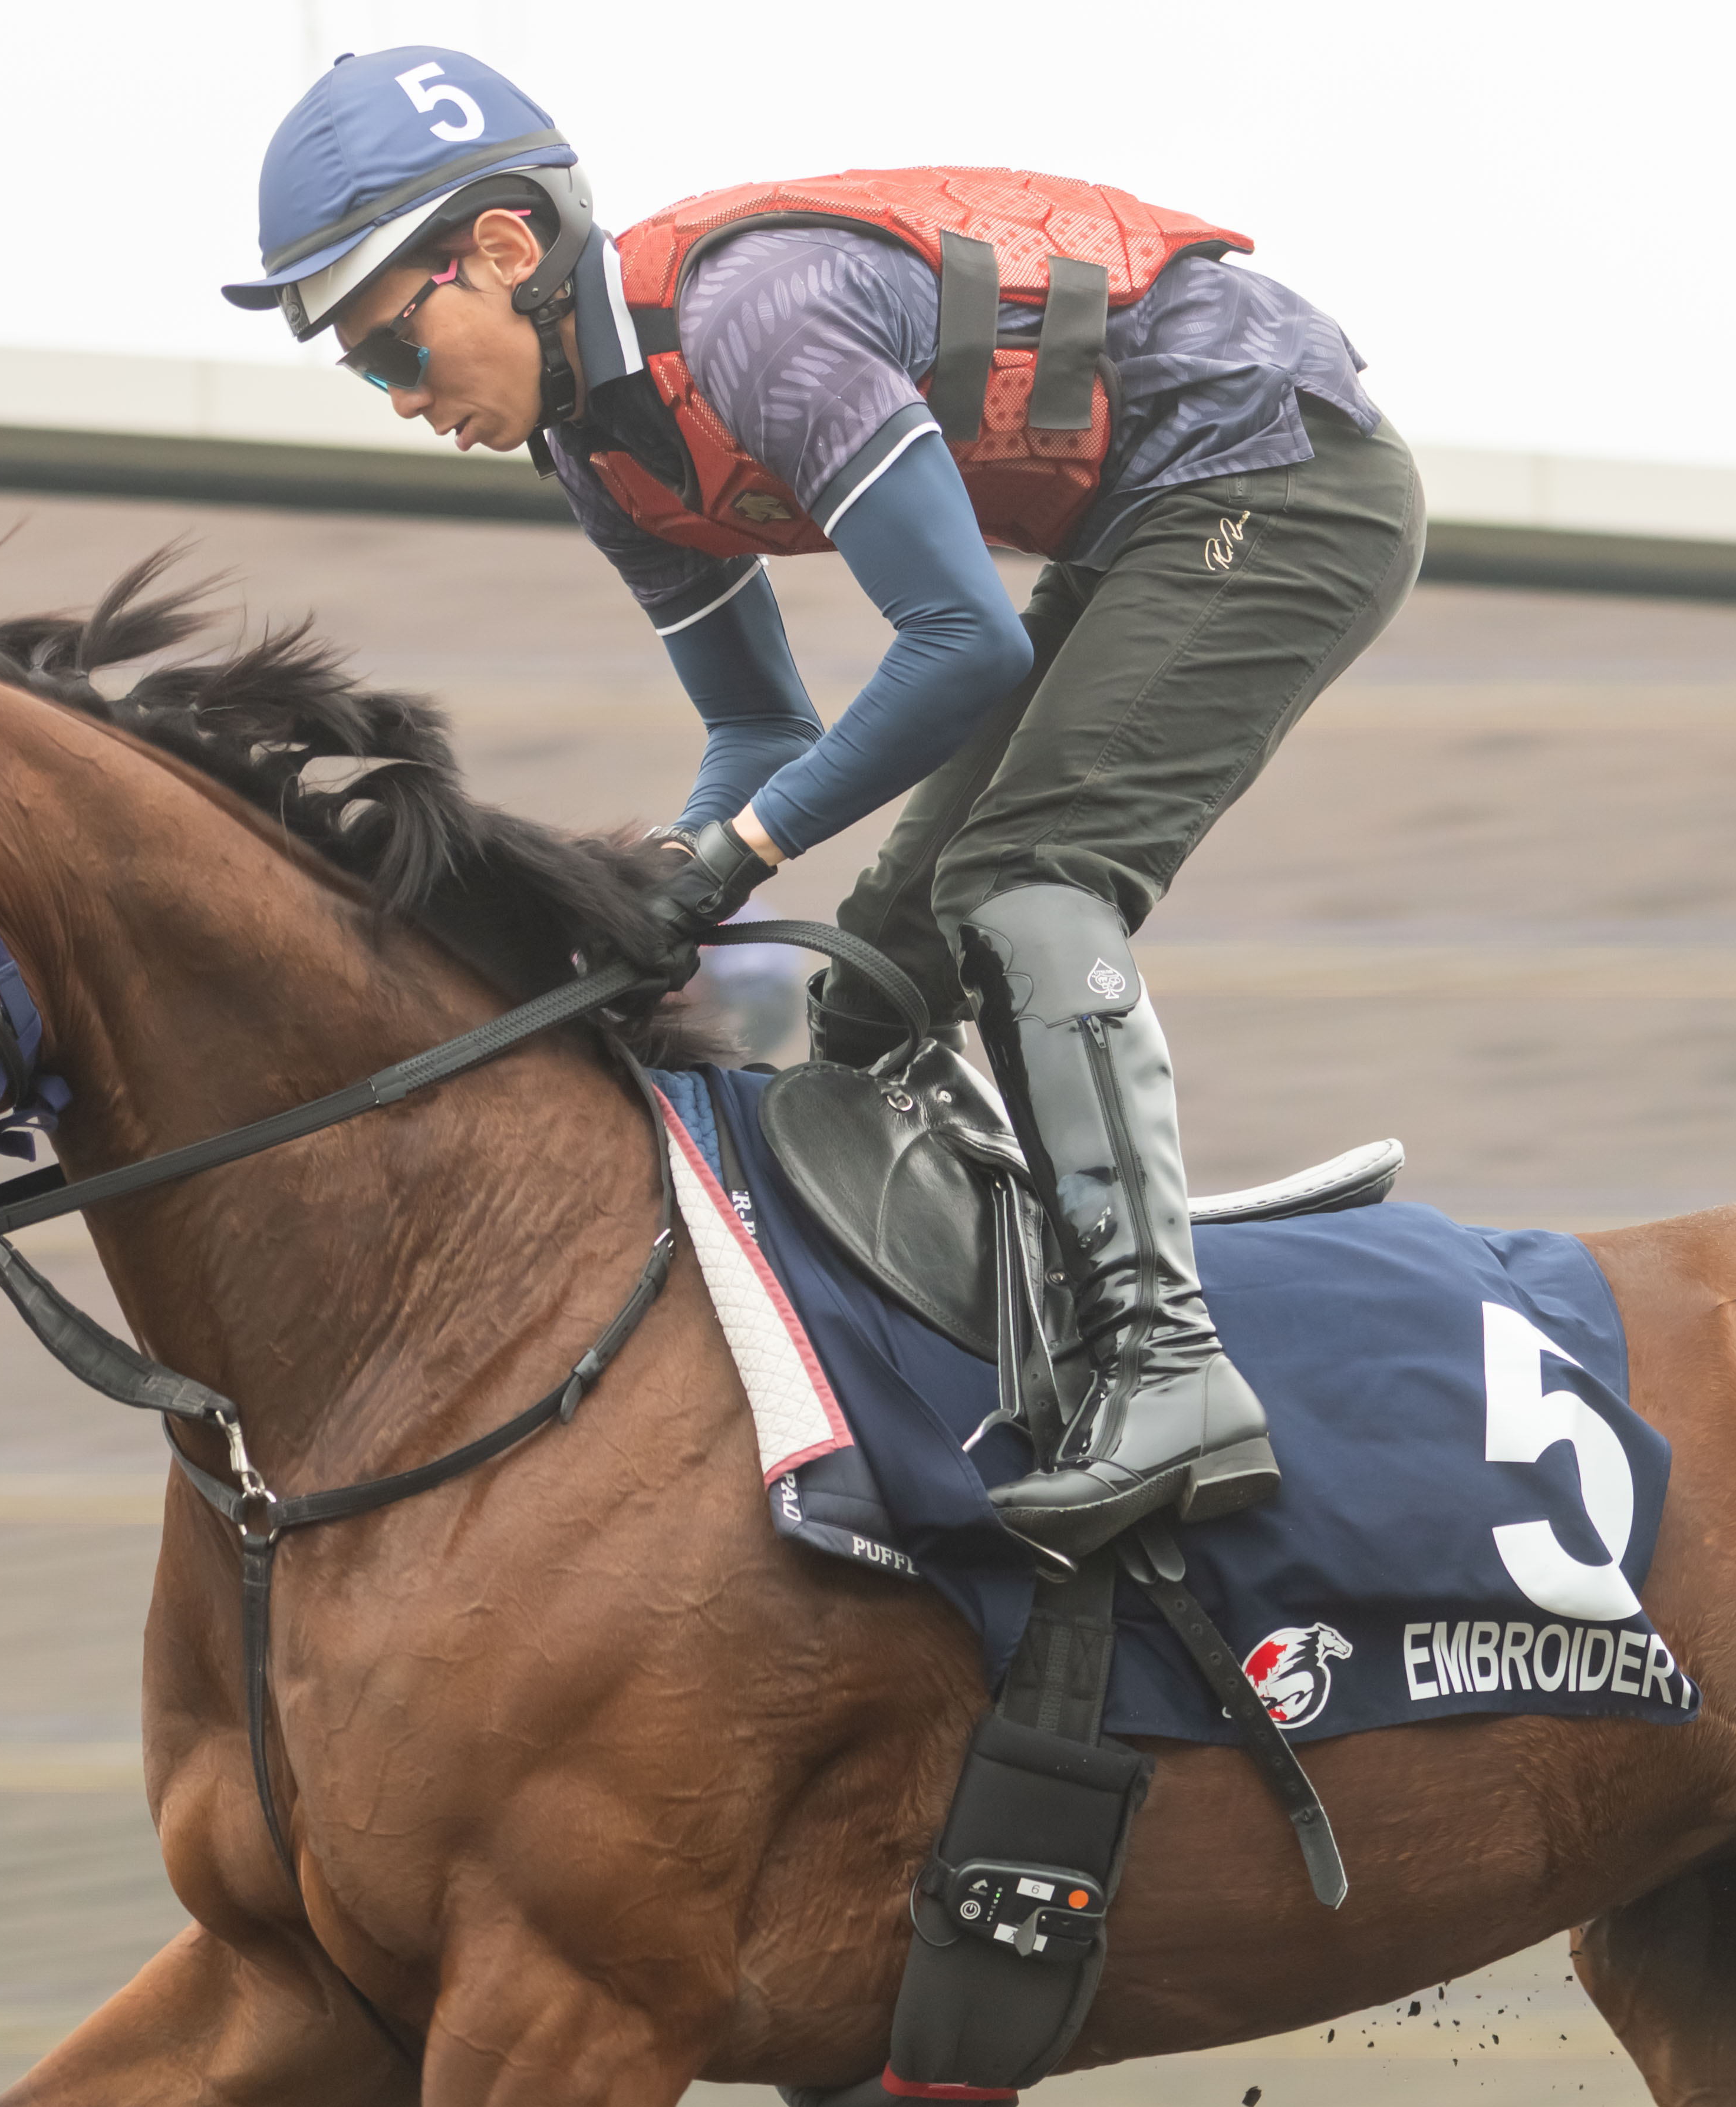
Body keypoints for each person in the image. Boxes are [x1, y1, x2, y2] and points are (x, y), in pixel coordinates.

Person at [223, 50, 1420, 1558]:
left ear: (507, 252)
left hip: (1280, 474)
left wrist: (730, 860)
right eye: (357, 374)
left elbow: (962, 643)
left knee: (1025, 883)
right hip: (1147, 519)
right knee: (875, 986)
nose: (398, 401)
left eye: (391, 349)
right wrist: (657, 874)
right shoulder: (602, 456)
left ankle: (1166, 1360)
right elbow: (757, 726)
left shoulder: (749, 322)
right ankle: (1020, 1332)